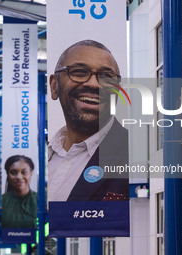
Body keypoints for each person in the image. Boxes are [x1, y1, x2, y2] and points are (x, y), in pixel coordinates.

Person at [48, 39, 129, 202]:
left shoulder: (140, 157)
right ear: (54, 86)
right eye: (79, 72)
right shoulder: (34, 158)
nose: (94, 84)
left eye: (107, 76)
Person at [1, 155, 37, 228]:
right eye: (13, 172)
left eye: (24, 172)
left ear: (31, 173)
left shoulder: (42, 200)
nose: (19, 177)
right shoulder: (1, 201)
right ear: (7, 174)